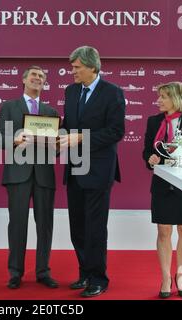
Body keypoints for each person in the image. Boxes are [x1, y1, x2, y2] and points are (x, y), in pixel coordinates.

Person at [59, 46, 126, 297]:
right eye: (72, 67)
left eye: (77, 67)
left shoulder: (113, 93)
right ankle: (85, 273)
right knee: (77, 225)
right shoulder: (71, 91)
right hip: (75, 168)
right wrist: (52, 137)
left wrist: (80, 139)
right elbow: (68, 126)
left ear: (92, 67)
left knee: (95, 227)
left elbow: (116, 131)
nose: (72, 71)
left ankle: (99, 278)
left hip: (98, 171)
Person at [142, 81, 182, 298]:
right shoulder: (154, 121)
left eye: (164, 96)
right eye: (159, 96)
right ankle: (165, 278)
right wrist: (151, 159)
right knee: (163, 231)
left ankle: (181, 276)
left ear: (177, 98)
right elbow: (146, 153)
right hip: (161, 182)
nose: (159, 100)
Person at [0, 66, 59, 289]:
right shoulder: (9, 107)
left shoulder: (51, 112)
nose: (38, 78)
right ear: (23, 80)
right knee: (17, 225)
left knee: (45, 226)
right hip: (18, 175)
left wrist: (57, 143)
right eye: (34, 75)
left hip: (44, 175)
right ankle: (15, 272)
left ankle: (43, 271)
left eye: (42, 76)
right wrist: (15, 139)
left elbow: (57, 148)